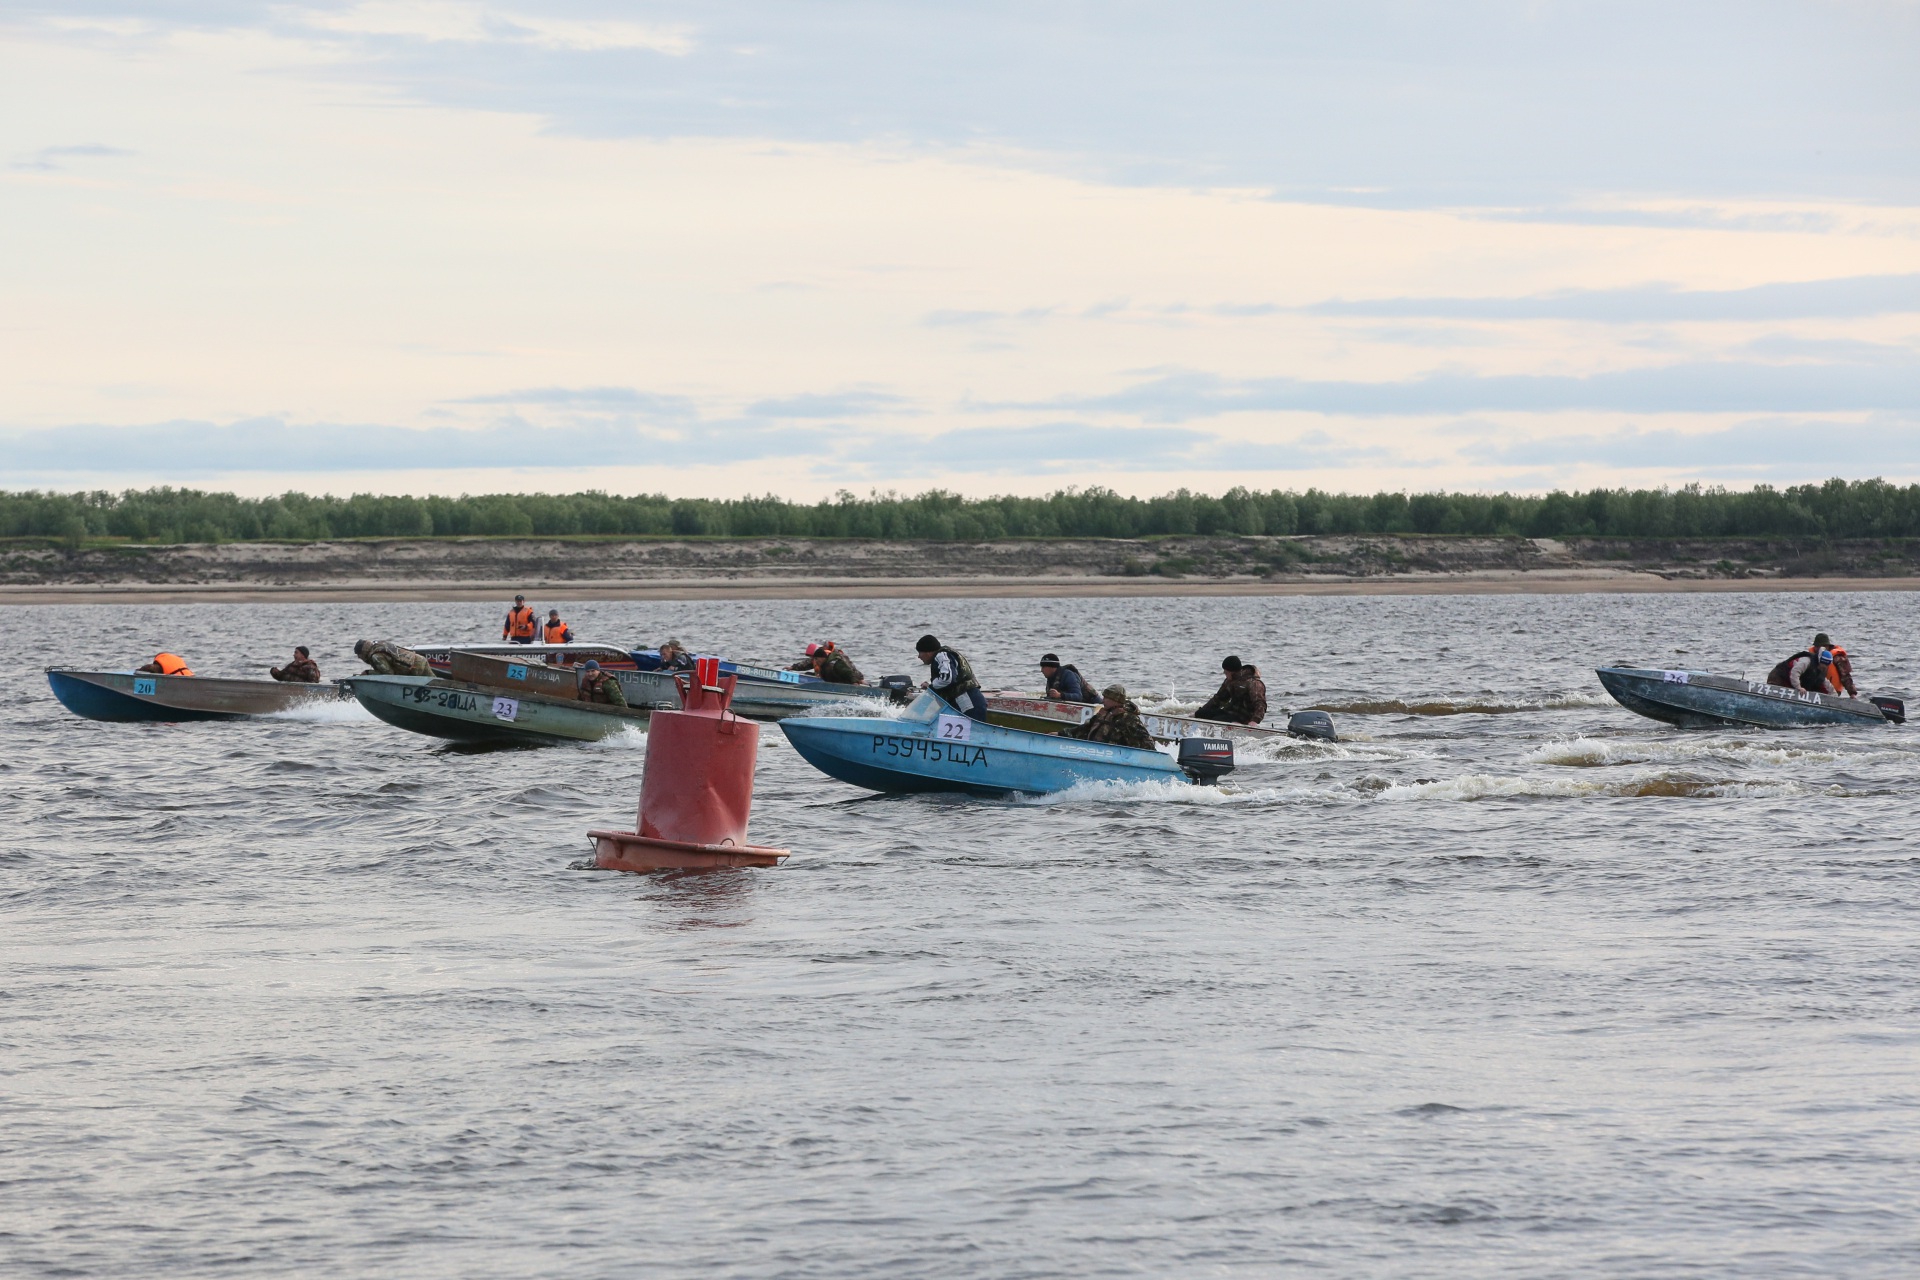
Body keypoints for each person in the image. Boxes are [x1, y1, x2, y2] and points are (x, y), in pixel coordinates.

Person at [916, 633, 988, 721]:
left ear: (928, 652)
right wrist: (931, 686)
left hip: (968, 704)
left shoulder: (941, 655)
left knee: (974, 731)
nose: (919, 656)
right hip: (972, 702)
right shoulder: (944, 655)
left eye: (920, 652)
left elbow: (948, 679)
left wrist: (931, 686)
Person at [1069, 684, 1156, 749]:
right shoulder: (1103, 714)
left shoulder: (1128, 718)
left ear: (1115, 700)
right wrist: (1060, 734)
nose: (1103, 701)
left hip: (1117, 757)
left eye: (1106, 698)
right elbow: (1085, 729)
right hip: (1094, 751)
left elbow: (1147, 743)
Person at [1193, 655, 1267, 725]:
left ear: (1231, 671)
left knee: (1217, 720)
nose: (1224, 673)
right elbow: (1218, 699)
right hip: (1230, 712)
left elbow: (1260, 704)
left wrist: (1254, 721)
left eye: (1225, 671)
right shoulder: (1229, 681)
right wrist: (1200, 711)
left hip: (1244, 717)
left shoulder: (1254, 683)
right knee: (1200, 714)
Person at [1766, 644, 1835, 694]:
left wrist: (1835, 697)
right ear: (1821, 661)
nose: (1826, 667)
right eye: (1825, 664)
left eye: (1827, 665)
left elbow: (1827, 685)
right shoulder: (1806, 661)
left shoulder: (1820, 672)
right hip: (1779, 677)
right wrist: (1798, 687)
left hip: (1790, 684)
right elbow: (1794, 673)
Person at [354, 638, 432, 677]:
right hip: (419, 660)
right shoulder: (379, 645)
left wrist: (368, 673)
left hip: (414, 667)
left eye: (359, 654)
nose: (358, 657)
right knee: (436, 684)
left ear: (364, 651)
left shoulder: (376, 656)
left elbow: (389, 674)